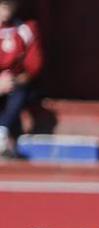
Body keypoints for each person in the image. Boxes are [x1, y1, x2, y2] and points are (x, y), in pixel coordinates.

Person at [0, 0, 43, 159]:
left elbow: (33, 66)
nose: (6, 9)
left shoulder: (25, 29)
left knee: (20, 92)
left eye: (9, 4)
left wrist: (12, 81)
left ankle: (2, 133)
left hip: (15, 86)